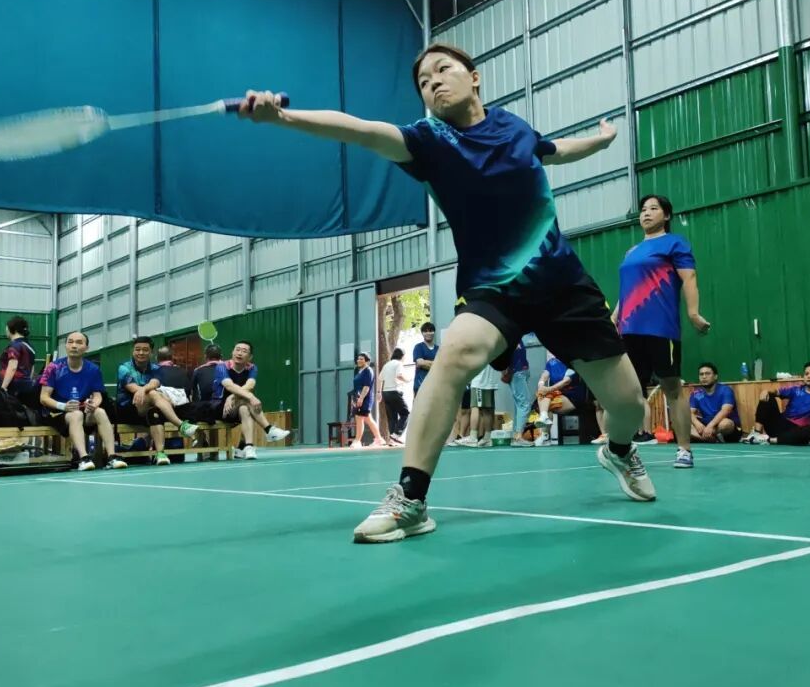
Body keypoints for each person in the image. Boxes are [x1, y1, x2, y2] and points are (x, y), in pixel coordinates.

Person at [241, 43, 654, 545]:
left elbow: (556, 150)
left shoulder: (514, 127)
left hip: (562, 282)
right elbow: (359, 129)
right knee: (455, 354)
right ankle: (411, 498)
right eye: (423, 81)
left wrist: (602, 141)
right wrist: (283, 117)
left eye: (443, 70)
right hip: (493, 287)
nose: (433, 82)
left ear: (473, 77)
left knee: (629, 404)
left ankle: (619, 450)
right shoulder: (428, 141)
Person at [612, 195, 710, 467]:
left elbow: (689, 278)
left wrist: (693, 313)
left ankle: (684, 450)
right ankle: (622, 448)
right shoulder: (632, 251)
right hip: (629, 328)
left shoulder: (675, 243)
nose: (646, 213)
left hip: (661, 327)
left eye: (653, 209)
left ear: (666, 215)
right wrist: (615, 317)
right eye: (643, 209)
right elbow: (627, 289)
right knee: (630, 391)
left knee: (672, 387)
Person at [39, 331, 126, 471]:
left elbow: (97, 395)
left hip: (83, 411)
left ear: (86, 348)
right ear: (66, 346)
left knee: (100, 412)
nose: (74, 345)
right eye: (70, 342)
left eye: (79, 343)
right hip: (57, 413)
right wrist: (63, 406)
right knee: (76, 415)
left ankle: (112, 457)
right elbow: (44, 397)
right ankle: (84, 458)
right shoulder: (53, 368)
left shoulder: (93, 369)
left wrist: (94, 404)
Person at [115, 336, 199, 466]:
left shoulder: (156, 368)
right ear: (133, 351)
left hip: (147, 408)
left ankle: (160, 454)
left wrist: (145, 390)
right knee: (154, 394)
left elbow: (155, 382)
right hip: (127, 410)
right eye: (137, 349)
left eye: (145, 350)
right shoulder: (124, 368)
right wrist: (145, 390)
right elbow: (132, 387)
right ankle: (181, 425)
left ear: (151, 352)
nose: (141, 353)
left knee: (155, 412)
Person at [214, 340, 290, 459]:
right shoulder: (222, 367)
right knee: (248, 400)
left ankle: (247, 447)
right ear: (232, 352)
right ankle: (268, 429)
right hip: (219, 408)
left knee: (244, 409)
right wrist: (251, 396)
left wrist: (232, 396)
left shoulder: (252, 368)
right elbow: (229, 386)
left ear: (250, 357)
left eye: (244, 351)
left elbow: (250, 385)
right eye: (237, 350)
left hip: (238, 406)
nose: (240, 353)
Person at [745, 362, 810, 445]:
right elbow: (776, 391)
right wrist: (766, 391)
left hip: (800, 431)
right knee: (768, 397)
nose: (809, 376)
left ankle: (768, 440)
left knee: (807, 433)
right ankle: (756, 434)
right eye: (806, 374)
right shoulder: (796, 390)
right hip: (780, 425)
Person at [534, 354, 585, 446]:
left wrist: (549, 389)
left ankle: (544, 429)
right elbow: (545, 375)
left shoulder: (572, 362)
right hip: (555, 394)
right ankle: (544, 421)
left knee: (546, 403)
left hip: (572, 396)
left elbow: (566, 381)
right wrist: (541, 385)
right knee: (542, 395)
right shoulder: (551, 362)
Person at [689, 362, 741, 443]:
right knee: (681, 425)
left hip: (722, 426)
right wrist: (697, 424)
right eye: (701, 374)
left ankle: (704, 437)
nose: (704, 377)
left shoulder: (725, 390)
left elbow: (726, 410)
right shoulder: (696, 393)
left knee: (726, 424)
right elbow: (689, 412)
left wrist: (711, 426)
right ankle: (710, 439)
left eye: (707, 374)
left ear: (715, 376)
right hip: (705, 425)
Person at [0, 315, 38, 405]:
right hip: (28, 386)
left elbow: (12, 367)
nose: (6, 330)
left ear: (13, 329)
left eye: (7, 328)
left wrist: (3, 388)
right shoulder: (30, 346)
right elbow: (32, 369)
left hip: (13, 387)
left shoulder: (15, 345)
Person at [351, 352, 386, 449]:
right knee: (368, 419)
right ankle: (379, 439)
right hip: (358, 398)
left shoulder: (368, 371)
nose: (359, 360)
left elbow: (366, 387)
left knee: (359, 418)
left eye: (361, 359)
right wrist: (356, 398)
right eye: (358, 359)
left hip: (365, 398)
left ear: (367, 361)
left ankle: (357, 441)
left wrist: (361, 398)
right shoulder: (359, 371)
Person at [505, 341, 534, 447]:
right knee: (524, 404)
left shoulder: (518, 339)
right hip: (517, 373)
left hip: (521, 372)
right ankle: (518, 436)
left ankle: (516, 436)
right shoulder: (510, 340)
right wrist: (506, 372)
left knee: (519, 405)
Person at [378, 347, 409, 445]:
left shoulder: (387, 365)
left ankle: (392, 440)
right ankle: (396, 434)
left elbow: (380, 379)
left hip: (386, 393)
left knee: (392, 417)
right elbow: (399, 375)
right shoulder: (399, 364)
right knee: (405, 413)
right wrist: (407, 380)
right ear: (402, 356)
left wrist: (379, 393)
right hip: (395, 391)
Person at [412, 322, 438, 397]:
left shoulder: (438, 349)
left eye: (430, 331)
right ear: (422, 333)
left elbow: (444, 365)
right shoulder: (418, 347)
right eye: (425, 331)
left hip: (435, 386)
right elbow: (420, 363)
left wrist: (426, 363)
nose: (428, 333)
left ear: (434, 332)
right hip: (420, 385)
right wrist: (437, 364)